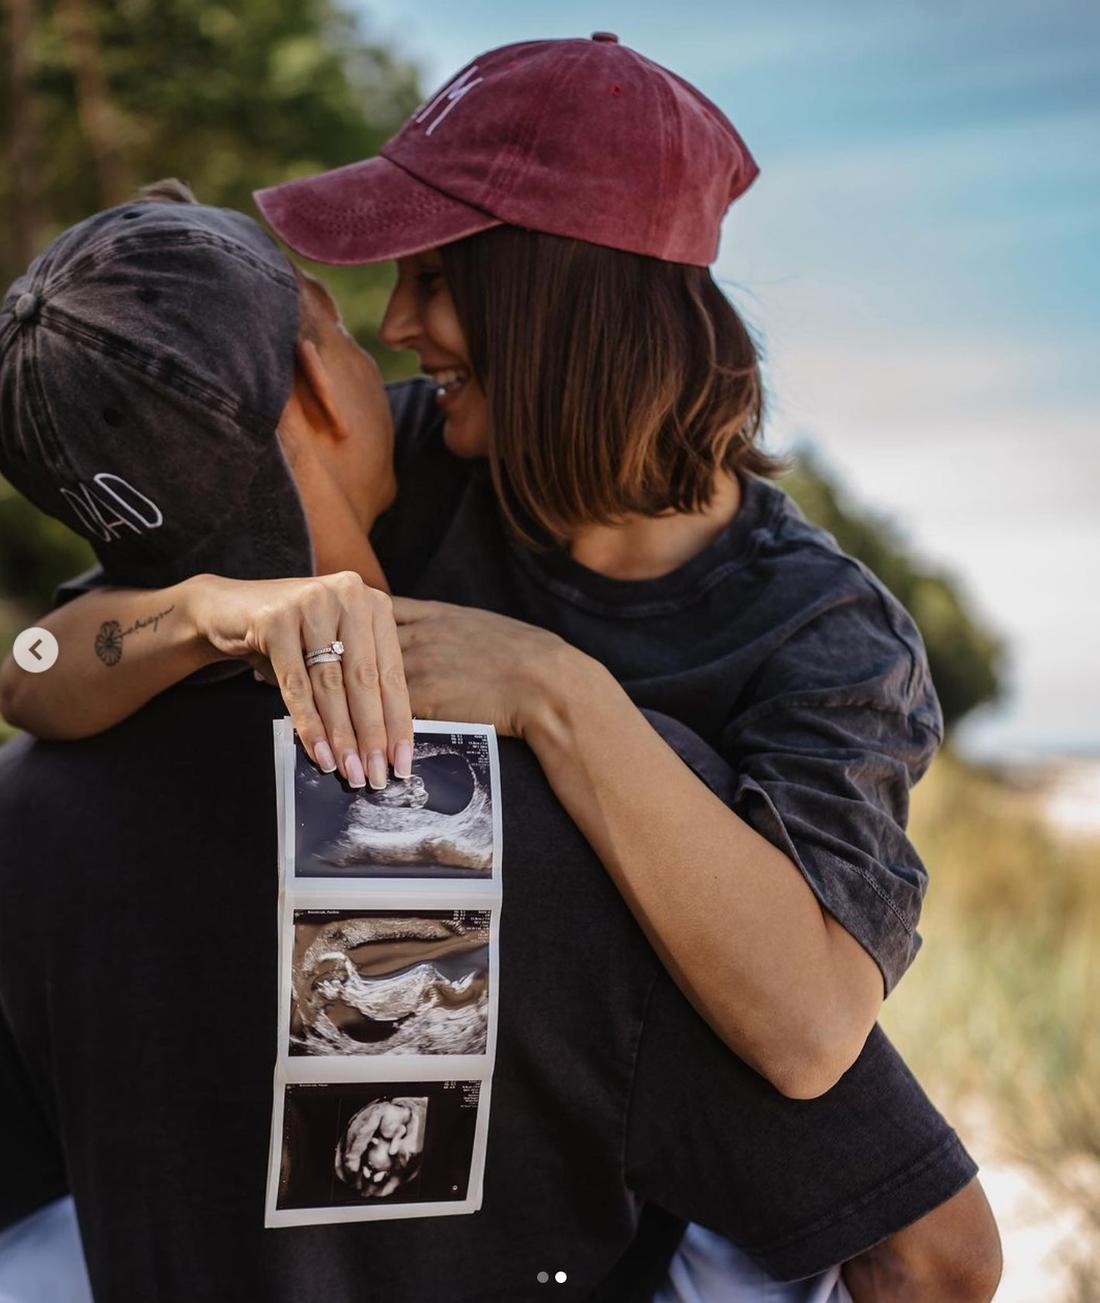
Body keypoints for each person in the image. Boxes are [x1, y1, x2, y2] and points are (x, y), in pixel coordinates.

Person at [0, 195, 1001, 1301]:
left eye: (431, 285)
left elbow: (32, 667)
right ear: (317, 388)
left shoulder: (32, 804)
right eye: (342, 326)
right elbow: (936, 1256)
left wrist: (201, 612)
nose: (392, 338)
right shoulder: (591, 823)